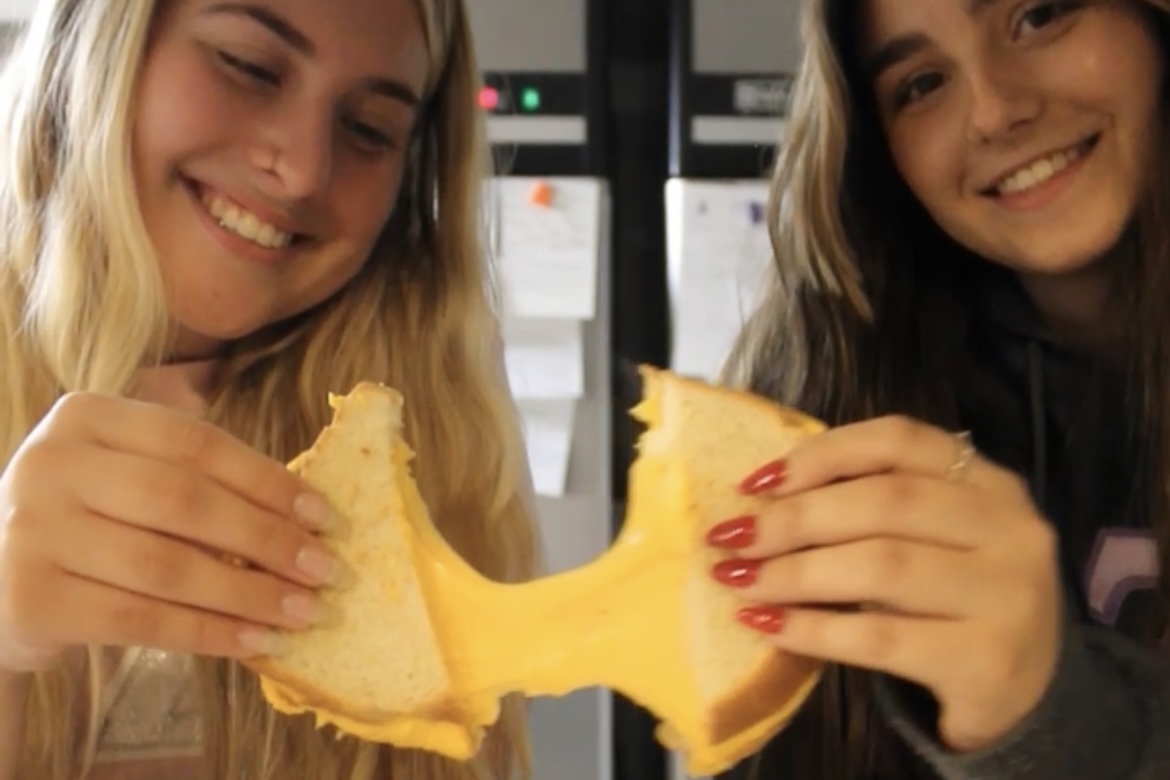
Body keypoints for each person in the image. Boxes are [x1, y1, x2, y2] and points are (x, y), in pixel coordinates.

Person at [0, 1, 539, 779]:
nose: (303, 168)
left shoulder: (440, 459)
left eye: (368, 130)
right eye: (249, 67)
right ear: (99, 43)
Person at [714, 0, 1170, 778]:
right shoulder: (827, 398)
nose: (996, 111)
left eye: (1039, 16)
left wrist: (1044, 725)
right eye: (921, 83)